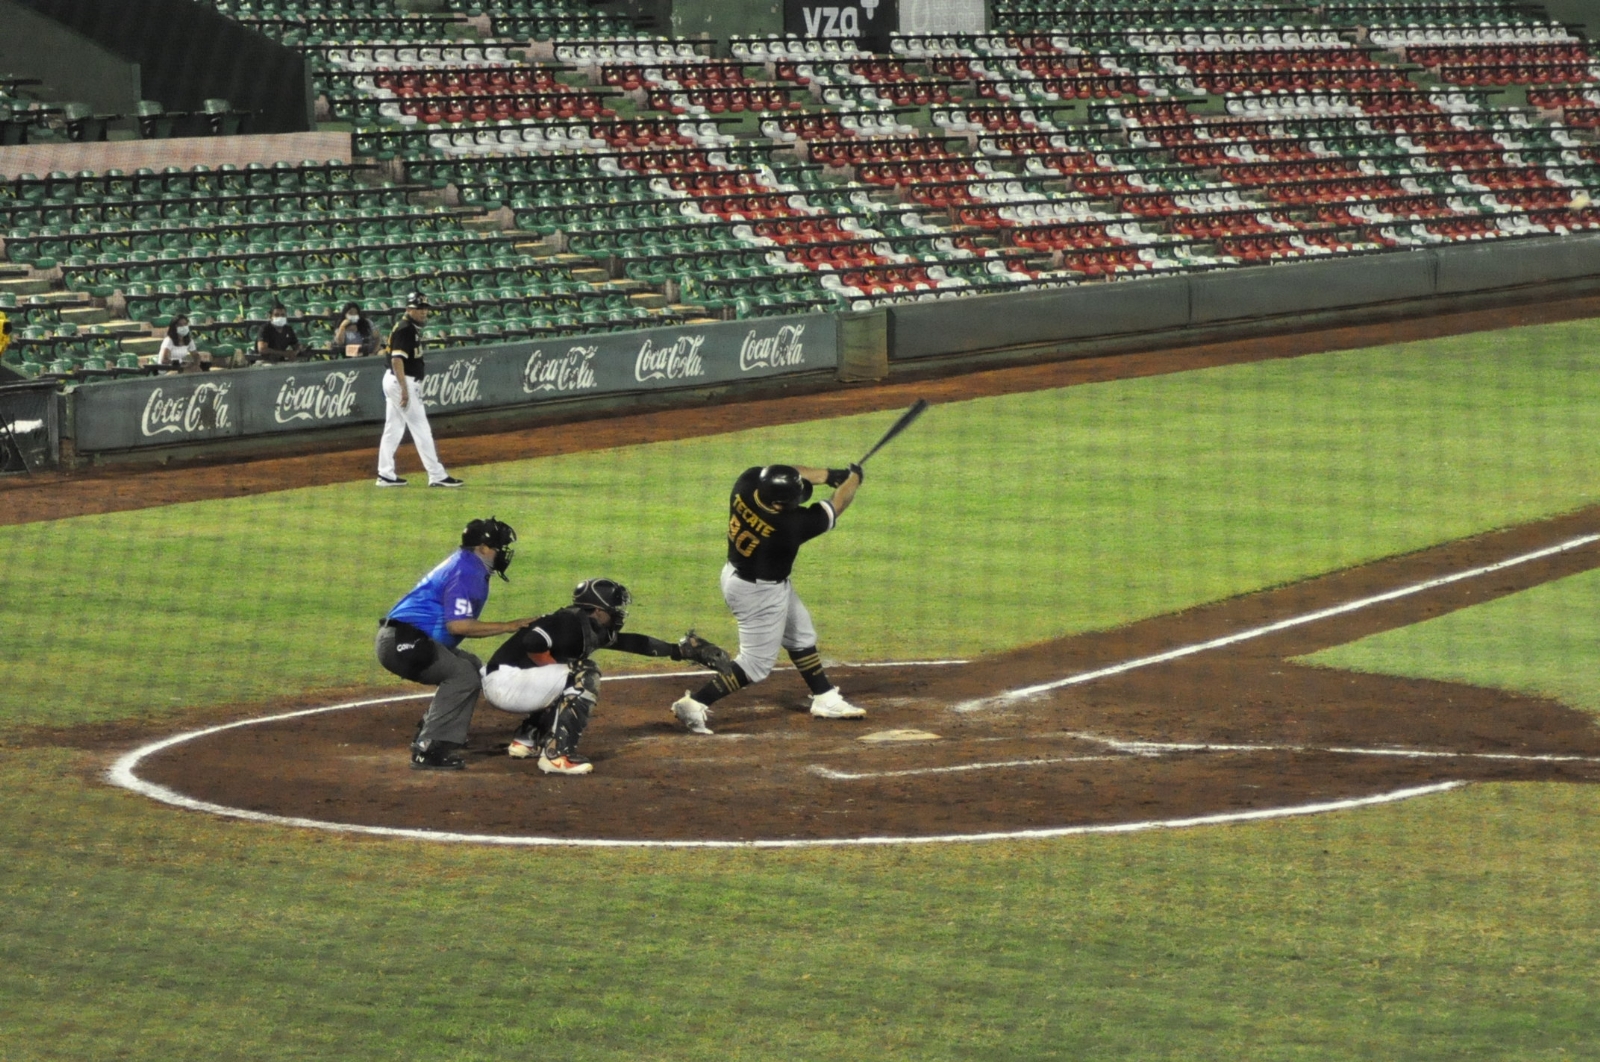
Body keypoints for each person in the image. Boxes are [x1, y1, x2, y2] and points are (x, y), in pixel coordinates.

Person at [671, 462, 865, 735]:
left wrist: (828, 475)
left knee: (801, 634)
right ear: (778, 505)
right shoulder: (789, 526)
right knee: (755, 664)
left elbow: (783, 470)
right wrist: (853, 479)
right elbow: (837, 505)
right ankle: (695, 702)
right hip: (759, 593)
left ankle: (825, 697)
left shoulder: (747, 482)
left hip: (739, 575)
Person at [480, 579, 732, 775]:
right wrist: (553, 667)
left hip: (510, 680)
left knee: (566, 676)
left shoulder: (588, 625)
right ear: (598, 610)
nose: (619, 613)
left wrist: (677, 650)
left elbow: (629, 642)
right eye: (614, 608)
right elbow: (533, 641)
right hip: (505, 685)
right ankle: (558, 757)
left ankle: (526, 740)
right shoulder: (567, 623)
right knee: (582, 673)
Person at [376, 517, 534, 770]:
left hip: (408, 639)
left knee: (470, 665)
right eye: (498, 547)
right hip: (403, 643)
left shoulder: (468, 564)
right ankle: (430, 749)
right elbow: (458, 626)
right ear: (483, 548)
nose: (503, 553)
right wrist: (509, 625)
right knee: (463, 676)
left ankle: (433, 730)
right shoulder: (466, 570)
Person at [376, 291, 463, 488]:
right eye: (419, 308)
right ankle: (437, 475)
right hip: (401, 381)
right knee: (421, 428)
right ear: (408, 309)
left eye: (425, 309)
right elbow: (397, 359)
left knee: (394, 428)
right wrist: (404, 389)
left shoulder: (407, 327)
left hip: (395, 381)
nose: (423, 312)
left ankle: (385, 474)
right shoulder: (405, 329)